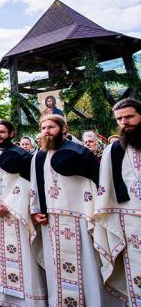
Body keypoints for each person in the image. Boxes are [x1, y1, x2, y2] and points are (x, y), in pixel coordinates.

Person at [31, 114, 120, 306]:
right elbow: (36, 185)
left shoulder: (80, 152)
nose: (46, 131)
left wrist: (96, 214)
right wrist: (37, 210)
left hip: (81, 220)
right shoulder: (39, 156)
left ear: (63, 129)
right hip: (51, 221)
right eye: (43, 128)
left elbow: (96, 183)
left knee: (88, 267)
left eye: (51, 127)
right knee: (57, 269)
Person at [0, 119, 46, 306]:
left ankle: (25, 300)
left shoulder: (23, 156)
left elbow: (29, 185)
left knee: (22, 256)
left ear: (11, 134)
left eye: (2, 132)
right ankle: (0, 297)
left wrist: (9, 204)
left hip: (17, 215)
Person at [94, 98, 141, 305]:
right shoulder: (113, 150)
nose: (124, 122)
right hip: (131, 224)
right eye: (120, 119)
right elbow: (106, 189)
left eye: (129, 116)